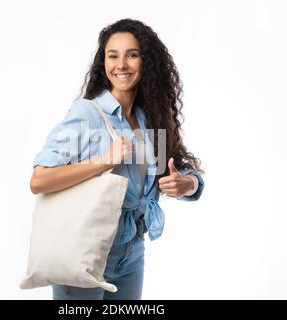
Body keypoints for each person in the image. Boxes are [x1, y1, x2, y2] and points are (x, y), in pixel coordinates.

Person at [29, 18, 204, 300]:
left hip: (132, 254)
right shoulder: (87, 114)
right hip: (84, 251)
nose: (121, 65)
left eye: (131, 55)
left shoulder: (152, 118)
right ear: (104, 63)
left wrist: (188, 184)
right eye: (113, 56)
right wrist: (104, 161)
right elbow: (39, 180)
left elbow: (173, 170)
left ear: (146, 62)